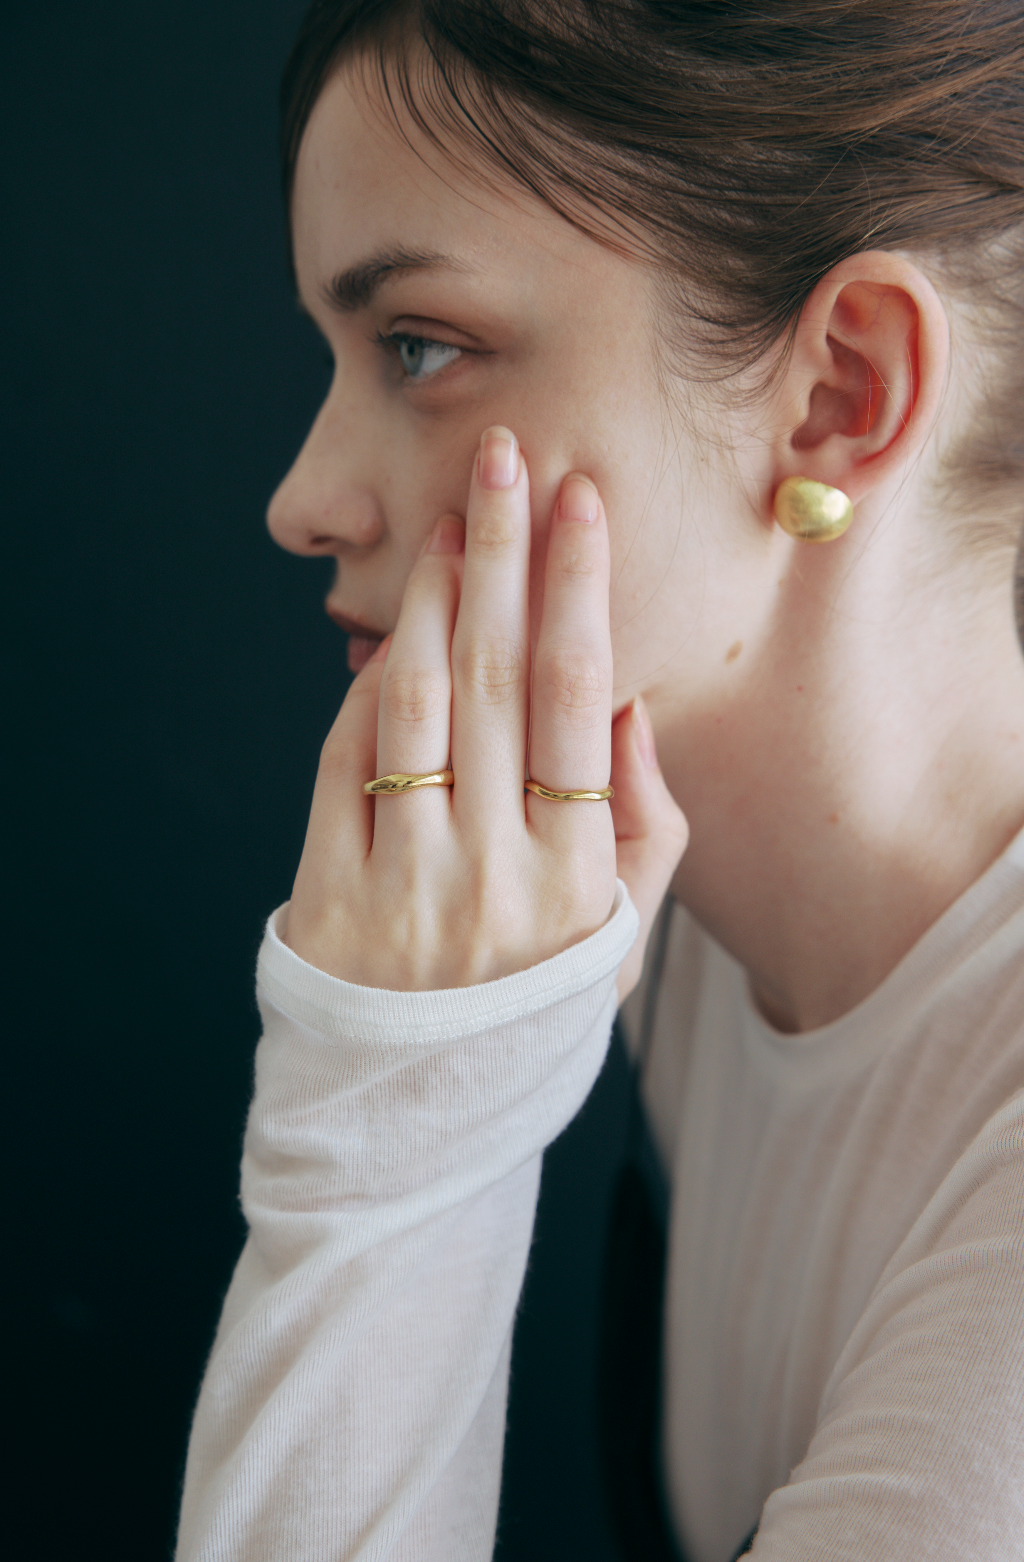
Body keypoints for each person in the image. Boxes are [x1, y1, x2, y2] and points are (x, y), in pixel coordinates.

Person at [175, 1, 1024, 1557]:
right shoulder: (658, 910)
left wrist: (394, 1114)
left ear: (841, 392)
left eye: (419, 347)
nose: (304, 497)